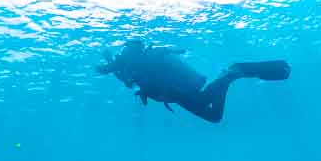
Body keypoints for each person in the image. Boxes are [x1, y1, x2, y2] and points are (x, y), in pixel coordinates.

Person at [96, 40, 290, 123]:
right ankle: (230, 75)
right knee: (214, 116)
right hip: (174, 91)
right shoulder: (138, 62)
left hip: (175, 91)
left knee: (213, 115)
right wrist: (110, 61)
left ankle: (231, 74)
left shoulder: (133, 61)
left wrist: (108, 62)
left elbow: (114, 73)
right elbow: (124, 78)